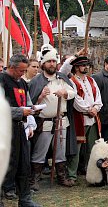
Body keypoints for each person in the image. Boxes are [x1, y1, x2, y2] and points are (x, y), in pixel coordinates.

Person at [29, 44, 77, 189]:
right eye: (49, 61)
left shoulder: (62, 78)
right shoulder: (36, 81)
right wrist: (40, 96)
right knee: (40, 151)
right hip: (45, 122)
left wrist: (65, 93)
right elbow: (30, 103)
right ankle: (34, 179)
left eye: (54, 61)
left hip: (61, 121)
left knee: (60, 151)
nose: (52, 64)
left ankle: (61, 177)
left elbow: (73, 93)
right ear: (43, 64)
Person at [0, 54, 40, 207]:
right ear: (12, 67)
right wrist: (19, 112)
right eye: (21, 71)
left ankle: (25, 199)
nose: (23, 74)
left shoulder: (22, 82)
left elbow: (27, 102)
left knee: (23, 164)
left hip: (19, 129)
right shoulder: (2, 81)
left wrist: (32, 110)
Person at [66, 55, 103, 185]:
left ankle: (91, 172)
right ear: (76, 67)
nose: (86, 67)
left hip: (93, 119)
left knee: (92, 148)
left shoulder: (91, 80)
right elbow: (76, 100)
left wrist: (95, 109)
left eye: (87, 65)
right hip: (80, 118)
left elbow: (98, 97)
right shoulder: (72, 81)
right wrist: (88, 109)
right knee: (76, 149)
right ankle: (72, 175)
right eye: (83, 65)